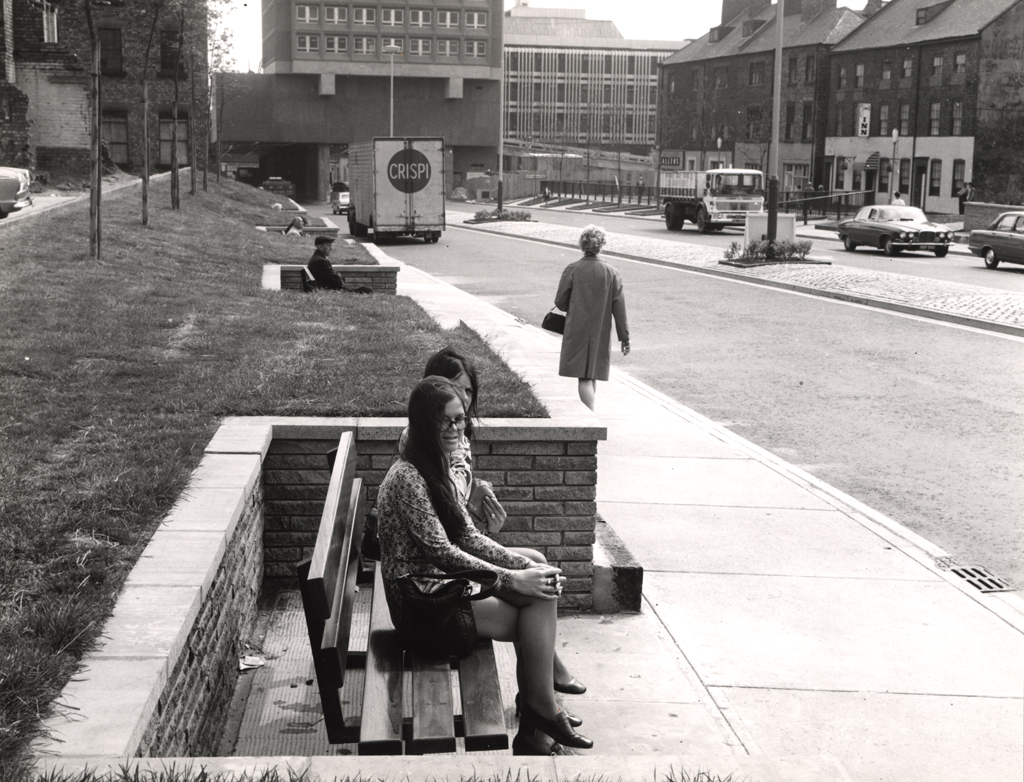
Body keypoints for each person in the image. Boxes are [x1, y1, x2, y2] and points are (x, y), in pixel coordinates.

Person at [376, 376, 594, 754]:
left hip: (440, 588)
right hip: (421, 606)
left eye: (460, 420)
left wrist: (519, 569)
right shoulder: (408, 477)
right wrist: (513, 579)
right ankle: (539, 713)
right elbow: (443, 551)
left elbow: (467, 536)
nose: (456, 429)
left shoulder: (436, 463)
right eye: (445, 421)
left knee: (538, 568)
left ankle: (536, 714)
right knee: (538, 600)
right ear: (422, 423)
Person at [554, 225, 630, 411]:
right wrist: (624, 337)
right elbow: (619, 309)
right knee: (591, 373)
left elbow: (560, 302)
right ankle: (590, 416)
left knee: (585, 375)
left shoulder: (572, 269)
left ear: (582, 244)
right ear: (601, 245)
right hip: (600, 329)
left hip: (576, 328)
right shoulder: (612, 272)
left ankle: (590, 416)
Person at [306, 235, 373, 293]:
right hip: (331, 291)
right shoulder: (320, 261)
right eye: (328, 246)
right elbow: (338, 282)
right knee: (367, 290)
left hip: (330, 289)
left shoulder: (318, 258)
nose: (331, 248)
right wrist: (338, 275)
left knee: (365, 289)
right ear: (320, 247)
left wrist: (338, 276)